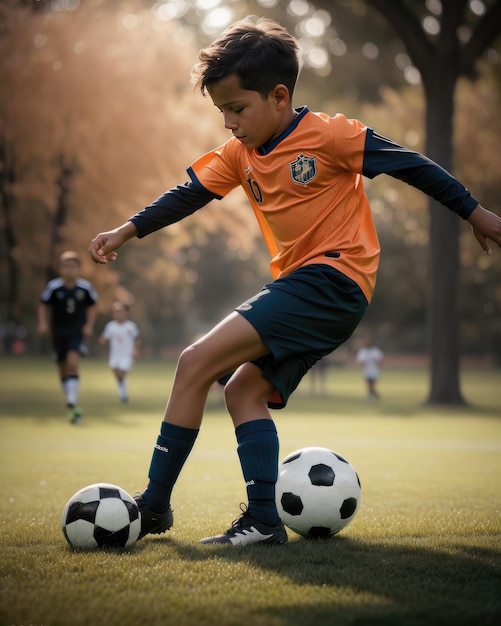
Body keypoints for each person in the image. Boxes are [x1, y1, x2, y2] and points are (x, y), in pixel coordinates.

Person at [88, 17, 501, 546]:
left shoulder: (330, 136)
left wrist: (475, 212)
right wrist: (126, 230)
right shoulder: (240, 154)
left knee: (194, 362)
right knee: (242, 391)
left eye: (237, 109)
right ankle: (263, 521)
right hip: (316, 290)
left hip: (333, 278)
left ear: (279, 97)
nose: (229, 124)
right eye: (221, 112)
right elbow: (188, 193)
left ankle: (154, 505)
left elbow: (410, 164)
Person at [38, 250, 98, 424]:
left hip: (76, 332)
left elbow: (93, 306)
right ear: (61, 269)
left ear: (78, 268)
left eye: (73, 266)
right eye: (66, 266)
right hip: (58, 333)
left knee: (72, 362)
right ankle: (71, 402)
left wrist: (88, 325)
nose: (70, 269)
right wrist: (42, 323)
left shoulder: (84, 288)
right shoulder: (54, 287)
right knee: (62, 367)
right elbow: (43, 305)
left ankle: (71, 400)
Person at [99, 300, 141, 403]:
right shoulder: (110, 326)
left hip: (126, 355)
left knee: (120, 374)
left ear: (126, 313)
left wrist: (135, 350)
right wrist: (102, 340)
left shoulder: (130, 326)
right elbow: (104, 337)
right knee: (117, 376)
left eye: (119, 311)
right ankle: (123, 393)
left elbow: (137, 338)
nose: (116, 313)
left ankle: (123, 395)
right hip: (115, 355)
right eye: (115, 311)